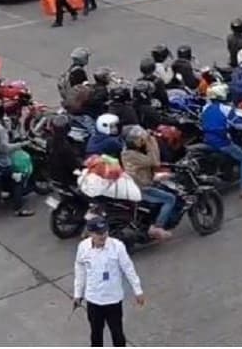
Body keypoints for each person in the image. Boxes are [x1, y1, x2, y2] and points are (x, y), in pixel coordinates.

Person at [73, 216, 145, 347]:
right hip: (93, 300)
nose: (103, 236)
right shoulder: (83, 248)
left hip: (113, 300)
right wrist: (78, 294)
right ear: (90, 233)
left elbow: (129, 269)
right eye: (99, 234)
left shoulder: (117, 247)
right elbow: (80, 270)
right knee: (96, 334)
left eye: (105, 232)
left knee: (117, 333)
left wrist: (138, 290)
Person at [0, 100, 34, 217]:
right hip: (2, 162)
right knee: (18, 179)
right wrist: (23, 144)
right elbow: (5, 148)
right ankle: (18, 209)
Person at [121, 126, 175, 239]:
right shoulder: (131, 155)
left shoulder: (127, 152)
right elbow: (155, 162)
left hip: (141, 182)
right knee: (170, 199)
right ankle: (157, 227)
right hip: (141, 187)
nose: (142, 140)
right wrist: (151, 141)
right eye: (139, 139)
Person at [200, 83, 242, 197]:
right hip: (221, 141)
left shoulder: (205, 108)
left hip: (207, 139)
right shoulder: (226, 109)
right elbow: (238, 124)